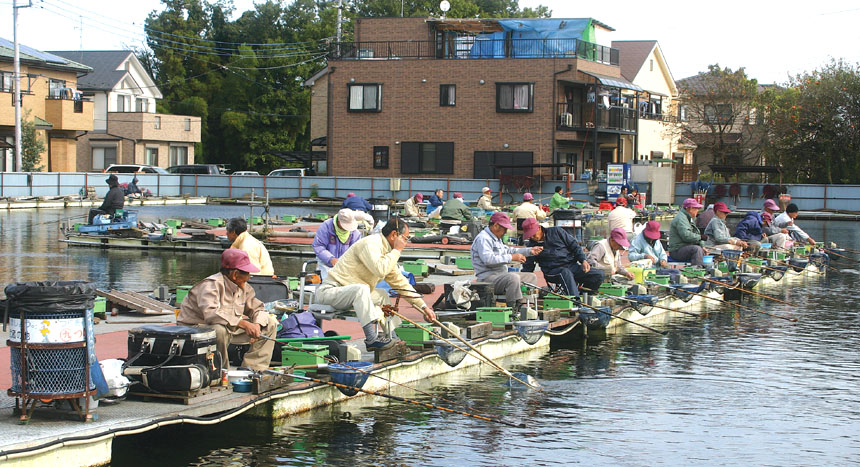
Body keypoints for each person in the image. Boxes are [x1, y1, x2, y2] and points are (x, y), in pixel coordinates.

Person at [314, 217, 436, 350]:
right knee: (361, 289)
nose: (406, 243)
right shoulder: (371, 244)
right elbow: (380, 269)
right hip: (331, 291)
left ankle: (393, 337)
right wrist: (397, 250)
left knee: (382, 295)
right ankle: (371, 339)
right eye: (405, 238)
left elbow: (401, 284)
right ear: (394, 235)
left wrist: (424, 308)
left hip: (349, 293)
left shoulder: (387, 253)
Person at [177, 249, 278, 371]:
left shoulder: (244, 287)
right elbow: (211, 314)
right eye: (247, 273)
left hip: (229, 329)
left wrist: (256, 324)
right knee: (218, 330)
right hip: (197, 330)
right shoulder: (211, 285)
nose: (249, 277)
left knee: (269, 323)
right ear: (235, 274)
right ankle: (220, 371)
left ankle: (252, 369)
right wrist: (244, 324)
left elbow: (258, 308)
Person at [471, 212, 542, 312]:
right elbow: (488, 260)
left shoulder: (496, 239)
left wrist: (529, 251)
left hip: (500, 276)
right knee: (513, 278)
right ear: (496, 226)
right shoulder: (483, 239)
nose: (505, 232)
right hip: (487, 279)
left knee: (531, 277)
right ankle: (513, 308)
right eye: (504, 229)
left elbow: (509, 250)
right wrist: (512, 257)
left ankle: (526, 306)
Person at [521, 218, 603, 297]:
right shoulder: (531, 246)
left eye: (533, 234)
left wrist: (583, 260)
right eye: (529, 235)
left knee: (598, 274)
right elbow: (528, 267)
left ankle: (583, 295)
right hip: (551, 271)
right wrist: (522, 280)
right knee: (565, 273)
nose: (532, 237)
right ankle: (575, 302)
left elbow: (574, 246)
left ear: (539, 228)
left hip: (571, 265)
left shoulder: (556, 231)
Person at [312, 209, 365, 279]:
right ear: (339, 222)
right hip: (326, 263)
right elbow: (318, 246)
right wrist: (331, 259)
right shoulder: (326, 227)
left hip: (345, 265)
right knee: (326, 282)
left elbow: (356, 251)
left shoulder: (355, 233)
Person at [668, 198, 706, 266]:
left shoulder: (688, 218)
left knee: (700, 249)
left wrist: (702, 246)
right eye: (696, 208)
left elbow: (695, 234)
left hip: (684, 248)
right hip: (676, 250)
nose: (697, 211)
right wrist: (700, 237)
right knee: (696, 249)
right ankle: (697, 270)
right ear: (690, 209)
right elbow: (686, 236)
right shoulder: (681, 219)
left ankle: (701, 267)